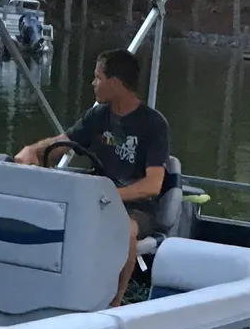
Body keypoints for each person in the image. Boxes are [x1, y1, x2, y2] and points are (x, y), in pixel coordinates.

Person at [14, 48, 168, 305]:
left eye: (98, 77)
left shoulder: (153, 124)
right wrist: (33, 151)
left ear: (115, 83)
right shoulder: (98, 116)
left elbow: (153, 185)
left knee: (125, 231)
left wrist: (109, 196)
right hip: (94, 199)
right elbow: (63, 143)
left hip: (135, 207)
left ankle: (114, 303)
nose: (93, 83)